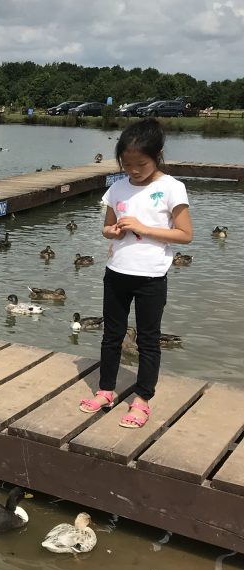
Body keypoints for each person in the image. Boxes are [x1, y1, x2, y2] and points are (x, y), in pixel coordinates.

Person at [78, 118, 193, 428]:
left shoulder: (171, 188)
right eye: (127, 164)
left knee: (148, 339)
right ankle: (106, 390)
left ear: (158, 155)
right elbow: (106, 228)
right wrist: (113, 231)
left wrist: (143, 228)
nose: (133, 170)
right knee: (112, 335)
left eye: (141, 164)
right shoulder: (117, 188)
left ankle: (142, 398)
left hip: (151, 278)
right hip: (116, 272)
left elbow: (185, 235)